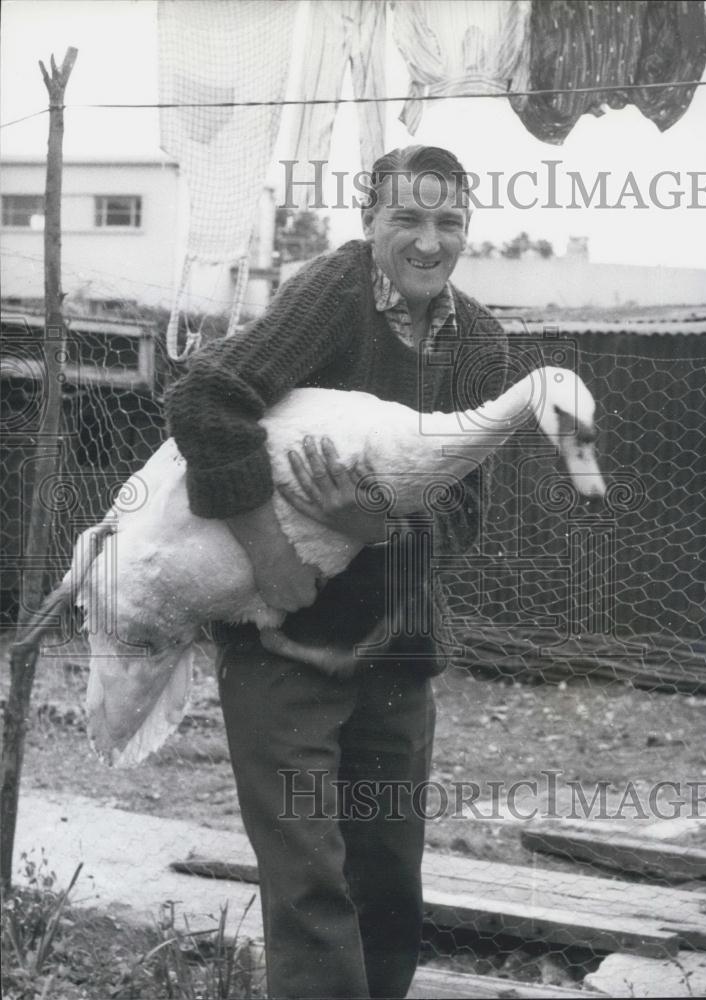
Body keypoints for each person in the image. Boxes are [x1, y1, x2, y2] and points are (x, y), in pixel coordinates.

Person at [166, 145, 508, 999]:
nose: (428, 242)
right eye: (406, 219)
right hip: (283, 646)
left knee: (388, 880)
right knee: (312, 886)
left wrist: (368, 521)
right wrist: (272, 557)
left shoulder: (482, 344)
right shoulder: (335, 294)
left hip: (397, 650)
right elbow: (205, 400)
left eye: (448, 222)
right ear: (369, 223)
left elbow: (466, 514)